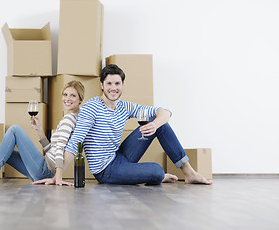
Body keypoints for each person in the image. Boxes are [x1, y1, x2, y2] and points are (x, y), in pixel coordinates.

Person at [64, 64, 212, 185]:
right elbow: (75, 141)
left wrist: (154, 125)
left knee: (160, 123)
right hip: (105, 170)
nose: (113, 88)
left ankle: (189, 173)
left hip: (119, 156)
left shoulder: (124, 106)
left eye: (117, 83)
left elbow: (165, 112)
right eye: (109, 83)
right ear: (102, 85)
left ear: (122, 85)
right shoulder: (91, 108)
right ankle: (155, 175)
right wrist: (57, 175)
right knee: (157, 171)